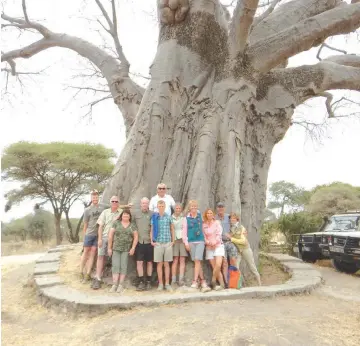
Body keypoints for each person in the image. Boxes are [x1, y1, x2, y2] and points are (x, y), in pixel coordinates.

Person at [91, 196, 131, 289]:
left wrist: (128, 206)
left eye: (116, 201)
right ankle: (98, 277)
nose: (114, 203)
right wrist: (100, 239)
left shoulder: (121, 212)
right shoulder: (105, 212)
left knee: (115, 259)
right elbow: (100, 226)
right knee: (101, 256)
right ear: (110, 202)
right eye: (112, 201)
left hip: (116, 239)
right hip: (105, 237)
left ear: (118, 203)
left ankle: (117, 282)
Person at [182, 200, 211, 293]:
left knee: (198, 260)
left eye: (195, 206)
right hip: (191, 241)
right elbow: (184, 232)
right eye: (192, 207)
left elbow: (203, 228)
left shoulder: (200, 217)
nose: (194, 208)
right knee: (196, 262)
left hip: (200, 241)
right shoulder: (186, 219)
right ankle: (203, 281)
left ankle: (194, 281)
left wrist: (206, 239)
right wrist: (186, 243)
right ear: (189, 208)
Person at [108, 209, 138, 293]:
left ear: (129, 216)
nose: (126, 216)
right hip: (116, 248)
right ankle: (114, 284)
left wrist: (133, 248)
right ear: (121, 216)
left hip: (126, 249)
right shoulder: (116, 223)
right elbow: (110, 235)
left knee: (123, 266)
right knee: (115, 266)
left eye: (127, 215)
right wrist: (109, 248)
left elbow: (136, 237)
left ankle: (120, 285)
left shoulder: (132, 225)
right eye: (124, 215)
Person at [79, 190, 107, 282]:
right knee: (86, 251)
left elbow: (114, 206)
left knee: (93, 252)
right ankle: (80, 272)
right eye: (93, 197)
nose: (95, 199)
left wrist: (126, 206)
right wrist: (84, 236)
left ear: (98, 198)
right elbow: (85, 224)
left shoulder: (102, 207)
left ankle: (88, 273)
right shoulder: (87, 210)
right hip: (89, 234)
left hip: (98, 235)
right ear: (91, 198)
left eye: (96, 197)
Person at [228, 212, 261, 286]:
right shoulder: (231, 228)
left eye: (233, 218)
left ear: (237, 219)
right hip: (238, 251)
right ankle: (238, 284)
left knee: (252, 266)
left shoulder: (241, 228)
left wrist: (231, 239)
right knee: (236, 266)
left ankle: (259, 283)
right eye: (231, 218)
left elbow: (243, 241)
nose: (232, 219)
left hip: (245, 249)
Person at [150, 200, 175, 291]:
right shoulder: (155, 217)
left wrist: (173, 240)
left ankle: (167, 284)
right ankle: (160, 284)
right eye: (159, 206)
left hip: (167, 242)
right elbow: (152, 229)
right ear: (157, 207)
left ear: (165, 207)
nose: (161, 207)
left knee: (167, 264)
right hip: (158, 243)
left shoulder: (168, 217)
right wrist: (152, 240)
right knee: (159, 264)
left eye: (162, 206)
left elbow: (172, 229)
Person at [216, 202, 239, 287]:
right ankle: (226, 283)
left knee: (233, 261)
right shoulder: (215, 218)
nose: (220, 208)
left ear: (224, 208)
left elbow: (235, 224)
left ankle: (234, 281)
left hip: (230, 242)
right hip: (220, 243)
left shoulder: (228, 216)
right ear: (217, 208)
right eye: (219, 207)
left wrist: (233, 234)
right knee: (224, 263)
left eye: (222, 207)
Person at [133, 197, 153, 291]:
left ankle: (148, 281)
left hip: (149, 242)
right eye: (143, 203)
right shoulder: (136, 214)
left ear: (148, 204)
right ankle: (141, 281)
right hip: (139, 241)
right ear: (140, 204)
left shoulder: (152, 214)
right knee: (139, 262)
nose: (145, 205)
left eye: (146, 203)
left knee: (149, 262)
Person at [203, 208, 225, 290]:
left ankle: (213, 280)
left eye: (210, 213)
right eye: (207, 213)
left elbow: (219, 234)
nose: (209, 214)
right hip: (209, 247)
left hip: (218, 245)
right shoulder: (204, 224)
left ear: (213, 214)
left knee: (218, 265)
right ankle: (221, 285)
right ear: (206, 215)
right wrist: (208, 242)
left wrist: (215, 242)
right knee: (215, 267)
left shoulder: (217, 223)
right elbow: (204, 236)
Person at [171, 203, 187, 287]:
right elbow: (171, 229)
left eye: (179, 208)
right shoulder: (171, 218)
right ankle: (173, 280)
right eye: (176, 208)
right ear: (174, 209)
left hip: (183, 239)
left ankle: (181, 279)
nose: (177, 210)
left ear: (181, 209)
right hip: (175, 240)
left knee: (182, 259)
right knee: (175, 259)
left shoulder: (183, 218)